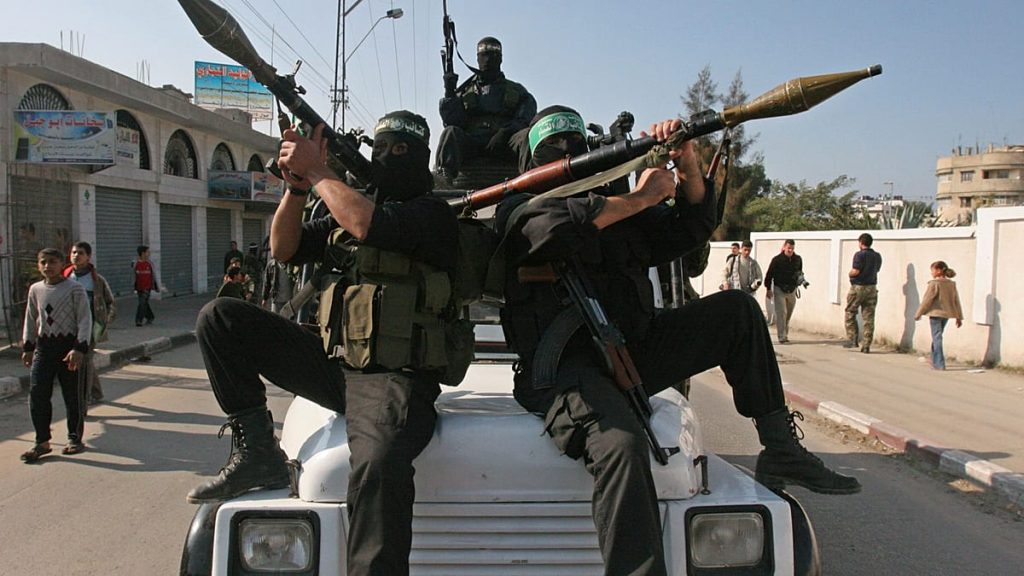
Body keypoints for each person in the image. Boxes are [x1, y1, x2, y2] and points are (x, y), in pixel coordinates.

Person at [496, 106, 860, 575]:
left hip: (634, 351)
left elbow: (688, 230)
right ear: (533, 162)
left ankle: (779, 447)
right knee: (621, 444)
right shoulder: (516, 206)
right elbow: (551, 228)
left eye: (575, 145)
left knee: (737, 312)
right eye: (553, 149)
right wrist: (642, 196)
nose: (567, 153)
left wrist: (686, 163)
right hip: (566, 370)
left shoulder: (618, 208)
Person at [187, 111, 461, 576]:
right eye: (381, 148)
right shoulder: (346, 208)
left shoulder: (432, 214)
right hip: (335, 364)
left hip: (393, 377)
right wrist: (296, 188)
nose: (389, 157)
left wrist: (317, 171)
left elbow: (368, 224)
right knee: (220, 318)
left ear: (422, 157)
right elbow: (284, 248)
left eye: (401, 149)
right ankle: (258, 453)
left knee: (378, 464)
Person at [20, 248, 91, 462]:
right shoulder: (35, 289)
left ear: (62, 264)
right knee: (38, 394)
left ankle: (74, 438)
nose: (47, 266)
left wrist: (79, 348)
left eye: (52, 262)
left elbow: (84, 319)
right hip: (44, 348)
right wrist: (28, 347)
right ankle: (42, 441)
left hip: (69, 349)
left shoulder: (75, 289)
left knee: (72, 396)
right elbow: (30, 318)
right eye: (43, 262)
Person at [435, 36, 537, 183]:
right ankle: (443, 179)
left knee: (527, 136)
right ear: (477, 58)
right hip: (473, 142)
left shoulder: (517, 91)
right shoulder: (465, 91)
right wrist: (450, 94)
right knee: (450, 132)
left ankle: (533, 178)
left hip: (505, 143)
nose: (488, 60)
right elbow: (454, 122)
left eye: (493, 55)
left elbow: (525, 119)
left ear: (500, 59)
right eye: (483, 55)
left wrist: (505, 132)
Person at [64, 241, 117, 404]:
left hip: (91, 326)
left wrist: (104, 322)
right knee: (85, 360)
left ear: (88, 257)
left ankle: (84, 397)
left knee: (85, 360)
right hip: (69, 326)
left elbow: (110, 302)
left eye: (80, 253)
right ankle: (96, 392)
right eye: (73, 253)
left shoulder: (97, 280)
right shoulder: (65, 277)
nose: (76, 256)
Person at [914, 261, 963, 370]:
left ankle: (939, 363)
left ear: (939, 270)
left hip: (936, 314)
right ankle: (934, 359)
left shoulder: (934, 284)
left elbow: (927, 300)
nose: (932, 273)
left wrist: (918, 313)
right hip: (946, 314)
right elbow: (956, 301)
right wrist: (958, 317)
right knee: (937, 337)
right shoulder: (951, 284)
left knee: (937, 337)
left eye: (933, 270)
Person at [844, 233, 883, 353]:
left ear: (861, 243)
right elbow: (877, 269)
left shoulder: (859, 255)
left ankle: (852, 339)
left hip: (858, 287)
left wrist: (850, 274)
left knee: (850, 312)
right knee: (869, 317)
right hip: (872, 288)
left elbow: (856, 271)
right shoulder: (877, 256)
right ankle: (866, 345)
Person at [764, 239, 803, 343]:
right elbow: (769, 275)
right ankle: (782, 336)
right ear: (784, 247)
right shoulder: (777, 260)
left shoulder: (798, 259)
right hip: (779, 289)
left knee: (788, 314)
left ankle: (785, 333)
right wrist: (768, 289)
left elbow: (799, 272)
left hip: (792, 290)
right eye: (789, 248)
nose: (790, 250)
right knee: (781, 313)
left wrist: (800, 279)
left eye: (792, 248)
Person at [132, 245, 158, 326]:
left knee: (142, 302)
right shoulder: (136, 264)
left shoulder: (149, 264)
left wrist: (155, 286)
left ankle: (138, 320)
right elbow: (133, 276)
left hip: (147, 287)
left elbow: (153, 275)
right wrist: (133, 286)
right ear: (143, 253)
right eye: (147, 252)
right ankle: (150, 316)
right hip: (139, 287)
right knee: (144, 303)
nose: (149, 253)